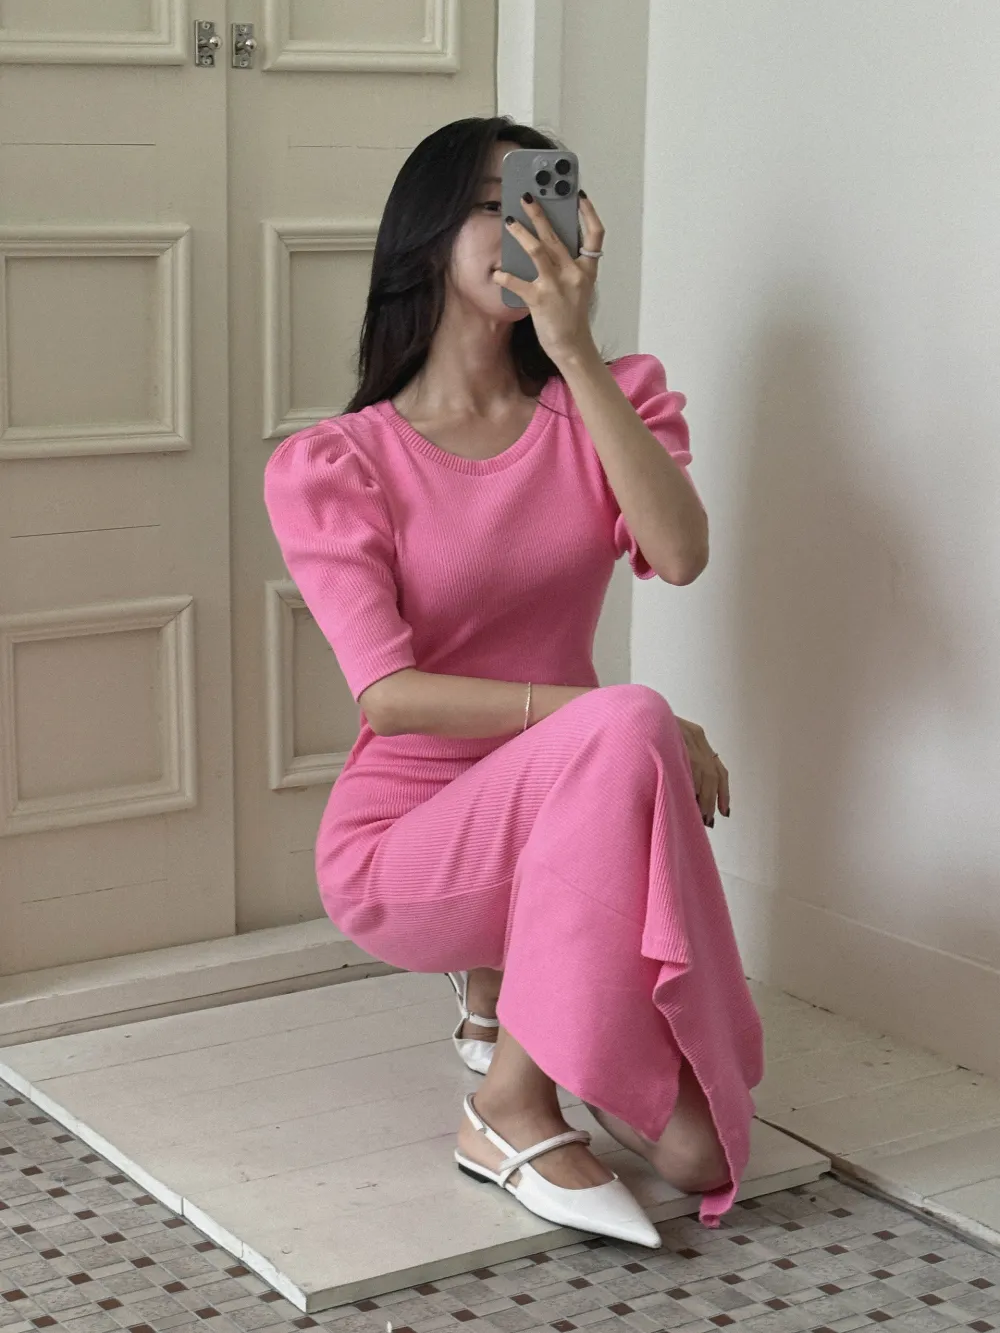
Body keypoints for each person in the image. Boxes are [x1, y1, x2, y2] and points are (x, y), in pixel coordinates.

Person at [263, 115, 764, 1248]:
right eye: (497, 203)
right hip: (409, 839)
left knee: (700, 1155)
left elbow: (680, 553)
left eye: (545, 198)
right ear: (428, 231)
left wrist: (576, 354)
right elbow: (389, 696)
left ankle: (510, 981)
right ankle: (505, 1107)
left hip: (578, 812)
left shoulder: (609, 399)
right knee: (626, 721)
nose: (527, 225)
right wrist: (616, 718)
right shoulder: (340, 462)